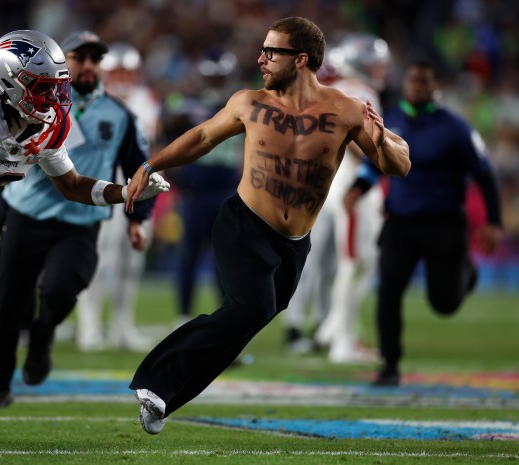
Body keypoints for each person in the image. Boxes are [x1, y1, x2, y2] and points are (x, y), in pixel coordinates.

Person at [123, 16, 410, 435]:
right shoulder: (249, 102)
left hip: (295, 243)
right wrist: (151, 164)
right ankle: (154, 378)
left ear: (301, 60)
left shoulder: (346, 110)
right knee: (250, 308)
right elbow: (202, 137)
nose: (261, 58)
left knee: (246, 321)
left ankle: (165, 400)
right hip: (244, 224)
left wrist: (383, 140)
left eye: (271, 52)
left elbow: (397, 166)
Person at [0, 29, 168, 384]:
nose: (54, 97)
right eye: (43, 87)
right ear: (10, 82)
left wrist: (127, 192)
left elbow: (73, 185)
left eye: (57, 87)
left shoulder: (48, 128)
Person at [0, 31, 163, 409]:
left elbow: (137, 167)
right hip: (25, 213)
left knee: (61, 292)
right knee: (9, 306)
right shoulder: (34, 104)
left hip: (80, 222)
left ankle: (44, 334)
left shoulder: (121, 115)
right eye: (81, 57)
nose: (90, 66)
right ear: (63, 62)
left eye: (97, 59)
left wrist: (137, 218)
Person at [344, 60, 503, 386]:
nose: (416, 88)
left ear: (435, 86)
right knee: (388, 290)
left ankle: (465, 272)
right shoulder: (391, 119)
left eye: (423, 82)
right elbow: (377, 161)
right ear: (405, 85)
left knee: (444, 303)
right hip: (400, 222)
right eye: (412, 82)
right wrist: (358, 188)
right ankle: (389, 366)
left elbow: (484, 174)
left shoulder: (456, 129)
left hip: (443, 224)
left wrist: (494, 221)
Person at [284, 33, 390, 362]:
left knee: (332, 260)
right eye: (375, 63)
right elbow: (362, 142)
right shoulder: (361, 92)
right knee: (357, 260)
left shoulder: (325, 91)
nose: (381, 70)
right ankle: (340, 336)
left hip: (318, 180)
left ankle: (331, 327)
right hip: (350, 181)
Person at [74, 42, 162, 352]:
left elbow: (148, 135)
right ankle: (89, 326)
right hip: (102, 185)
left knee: (132, 260)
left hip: (138, 183)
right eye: (117, 71)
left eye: (128, 71)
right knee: (97, 257)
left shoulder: (143, 99)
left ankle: (122, 326)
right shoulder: (89, 99)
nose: (123, 77)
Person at [163, 50, 243, 327]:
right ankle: (183, 314)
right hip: (195, 190)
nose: (216, 83)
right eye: (213, 77)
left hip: (226, 191)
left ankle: (225, 317)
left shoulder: (241, 104)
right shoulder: (187, 103)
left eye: (220, 77)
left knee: (226, 259)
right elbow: (169, 126)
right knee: (189, 256)